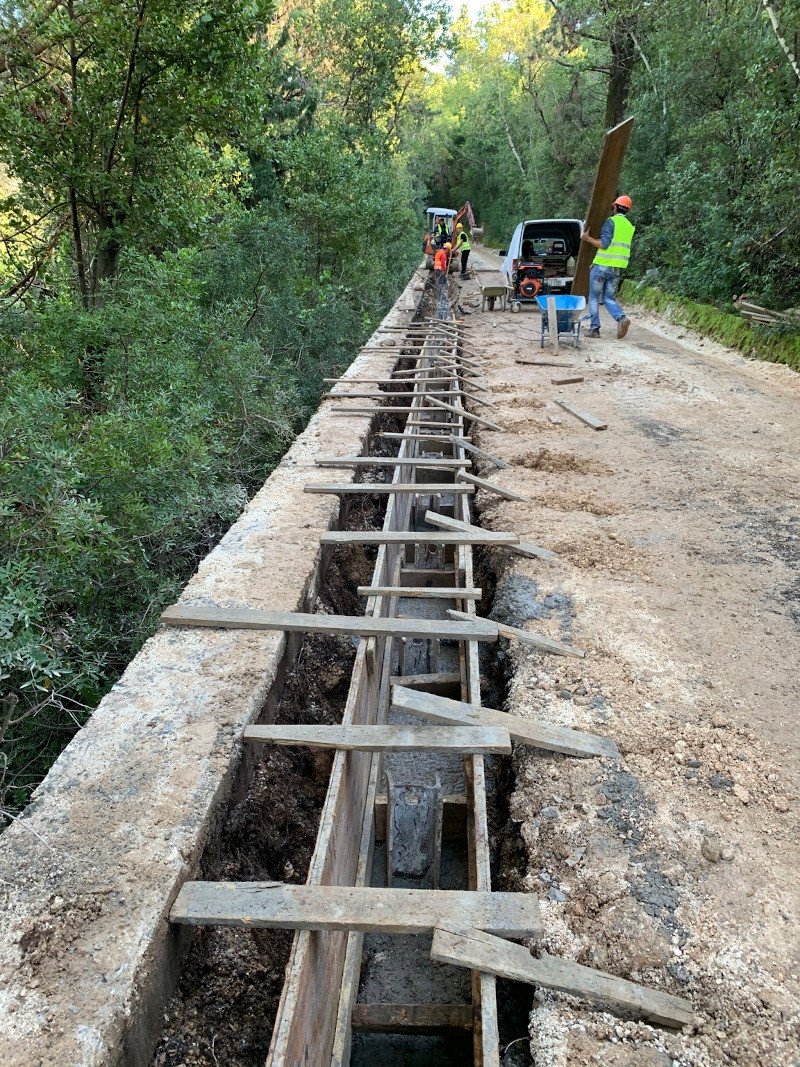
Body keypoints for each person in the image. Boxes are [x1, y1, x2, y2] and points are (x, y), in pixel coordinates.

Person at [580, 194, 634, 339]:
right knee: (609, 298)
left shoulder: (611, 221)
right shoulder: (629, 226)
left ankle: (594, 329)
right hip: (616, 269)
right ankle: (621, 318)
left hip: (602, 266)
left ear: (615, 207)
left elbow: (604, 244)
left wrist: (587, 238)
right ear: (627, 210)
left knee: (593, 297)